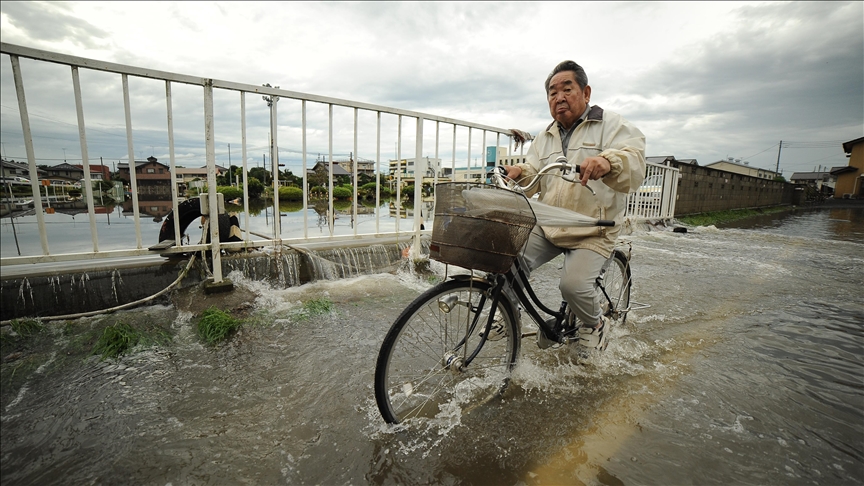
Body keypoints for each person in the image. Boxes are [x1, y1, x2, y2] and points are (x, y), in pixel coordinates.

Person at [503, 60, 646, 350]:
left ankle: (595, 323)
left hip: (594, 227)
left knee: (573, 285)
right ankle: (507, 316)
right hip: (551, 222)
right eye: (552, 93)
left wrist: (608, 161)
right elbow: (534, 172)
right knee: (505, 263)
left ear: (586, 92)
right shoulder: (545, 135)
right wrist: (520, 172)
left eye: (567, 89)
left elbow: (634, 159)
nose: (559, 98)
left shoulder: (611, 124)